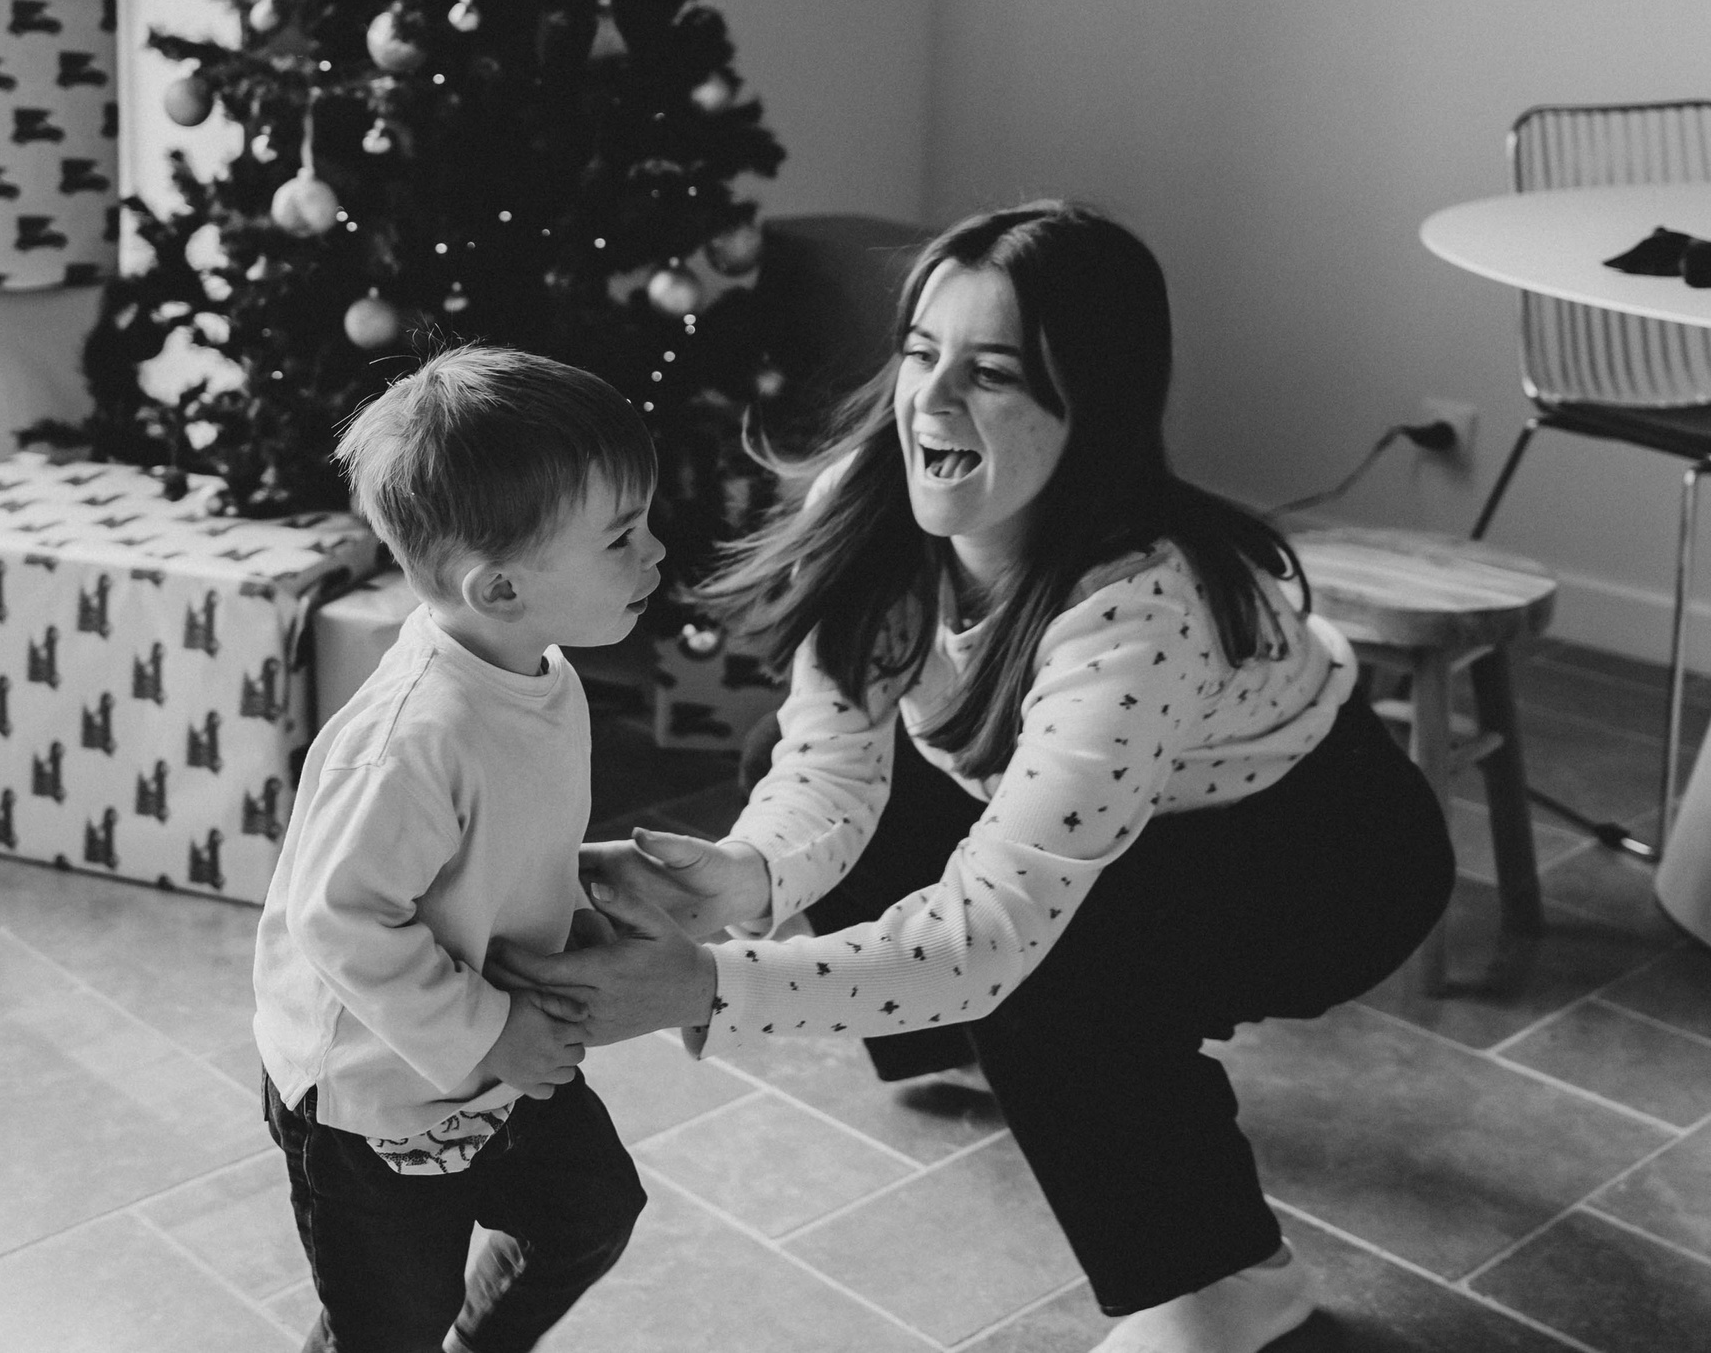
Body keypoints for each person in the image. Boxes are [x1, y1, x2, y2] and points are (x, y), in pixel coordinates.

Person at [492, 203, 1455, 1353]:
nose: (931, 402)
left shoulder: (1140, 610)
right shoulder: (876, 499)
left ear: (1089, 408)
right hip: (1115, 801)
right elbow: (830, 768)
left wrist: (704, 986)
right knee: (790, 783)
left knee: (1052, 976)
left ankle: (1228, 1283)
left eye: (990, 373)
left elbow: (990, 935)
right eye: (919, 353)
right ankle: (981, 1047)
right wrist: (737, 878)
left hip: (1318, 853)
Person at [253, 343, 657, 1353]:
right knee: (388, 1326)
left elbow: (502, 840)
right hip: (379, 1101)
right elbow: (339, 918)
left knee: (591, 1212)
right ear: (501, 588)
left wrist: (577, 904)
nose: (656, 552)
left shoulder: (539, 673)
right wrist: (486, 1032)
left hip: (498, 1056)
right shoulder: (414, 740)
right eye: (622, 537)